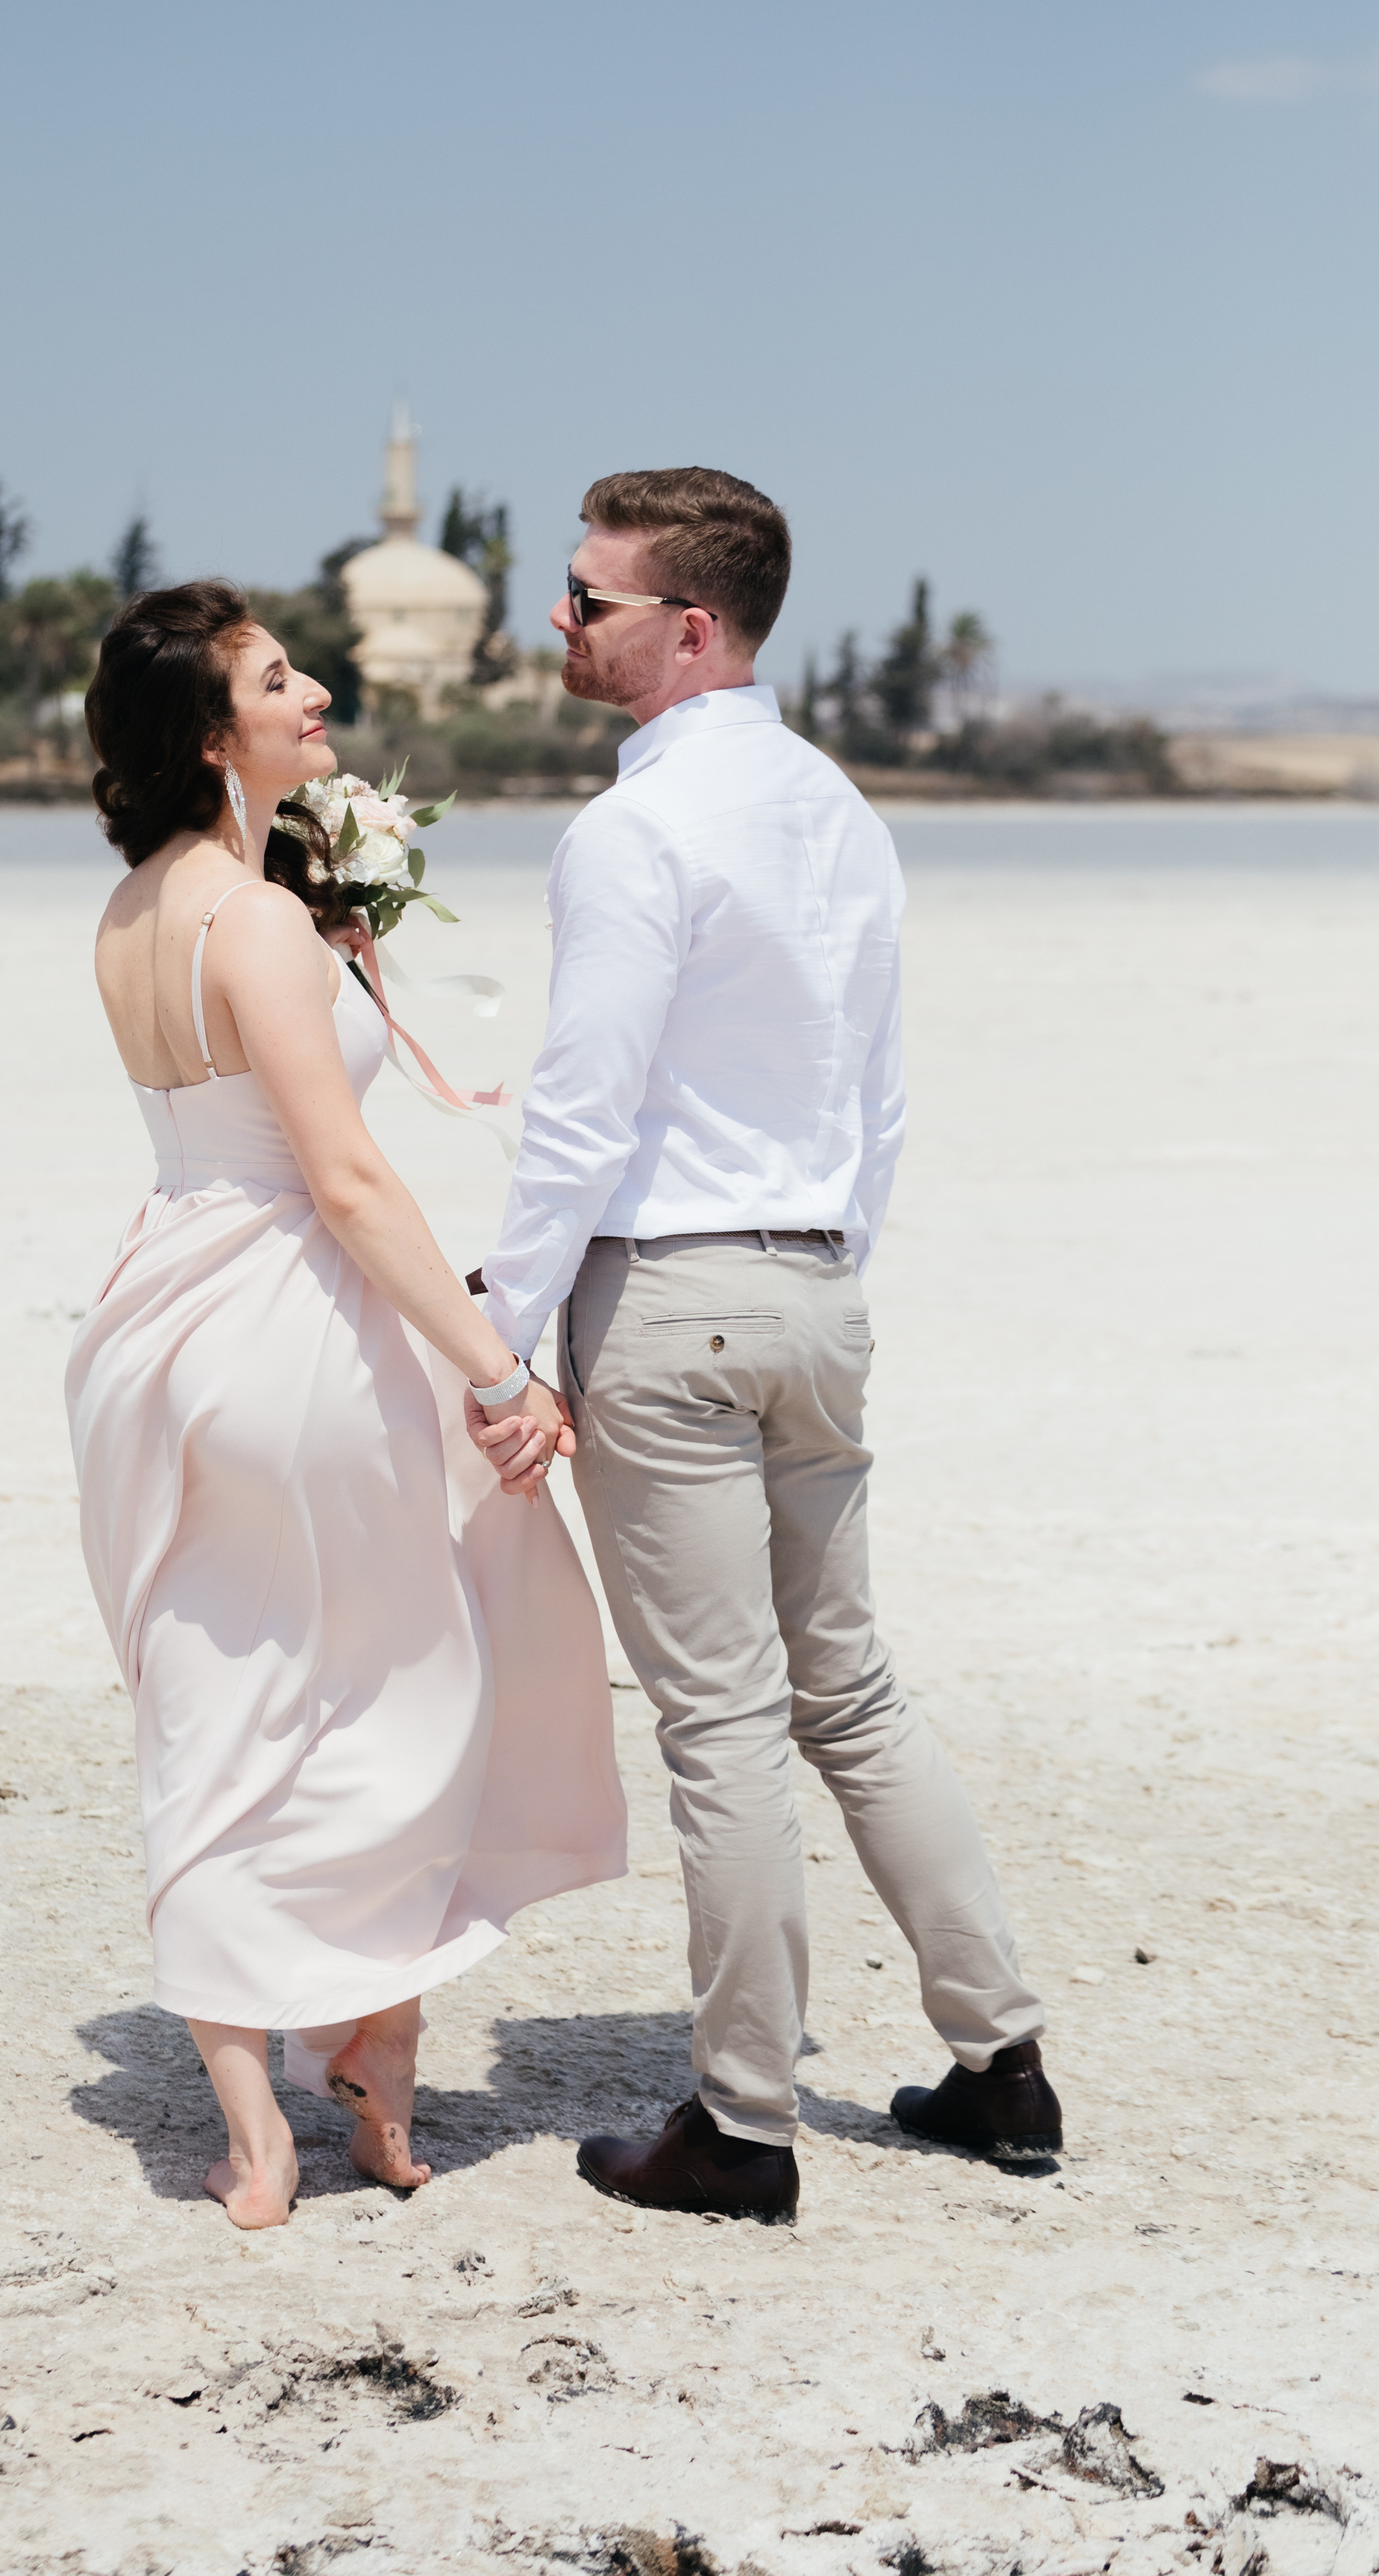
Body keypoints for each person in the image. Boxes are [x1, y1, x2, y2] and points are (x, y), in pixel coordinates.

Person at [467, 469, 1061, 2223]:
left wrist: (504, 1333)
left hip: (670, 1296)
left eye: (587, 601)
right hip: (813, 1285)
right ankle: (999, 2060)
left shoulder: (632, 832)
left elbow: (581, 1106)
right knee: (850, 1688)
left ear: (687, 629)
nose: (559, 624)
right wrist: (829, 1261)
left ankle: (739, 2126)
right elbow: (876, 1095)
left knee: (723, 1720)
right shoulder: (838, 813)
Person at [66, 580, 626, 2231]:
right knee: (419, 1671)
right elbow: (348, 1181)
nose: (312, 690)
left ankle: (262, 2118)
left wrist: (334, 933)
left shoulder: (133, 915)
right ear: (209, 734)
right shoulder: (251, 926)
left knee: (217, 1691)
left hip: (160, 1315)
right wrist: (498, 1370)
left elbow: (220, 1132)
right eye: (274, 677)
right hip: (296, 1329)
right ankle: (373, 2022)